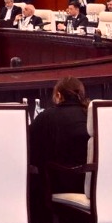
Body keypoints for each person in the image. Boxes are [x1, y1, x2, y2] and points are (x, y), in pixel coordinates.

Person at [29, 77, 91, 212]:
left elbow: (29, 151)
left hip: (61, 185)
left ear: (58, 95)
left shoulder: (47, 117)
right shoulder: (91, 114)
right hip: (94, 185)